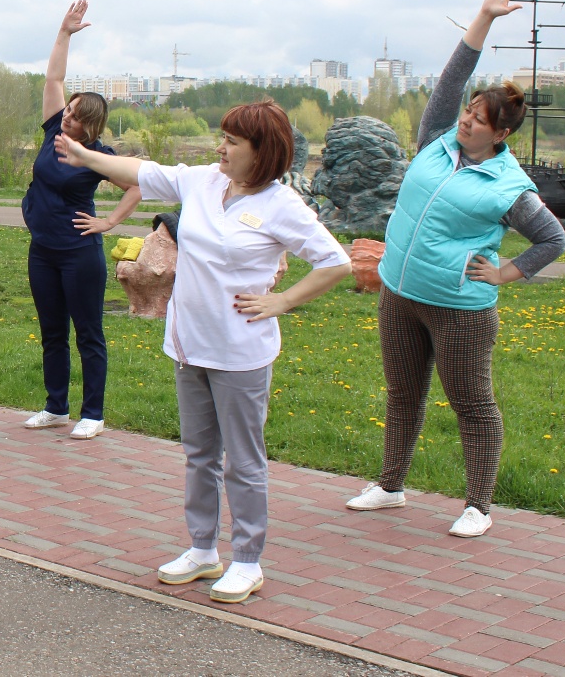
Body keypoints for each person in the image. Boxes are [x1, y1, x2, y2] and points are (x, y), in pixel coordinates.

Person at [57, 101, 350, 604]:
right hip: (189, 343)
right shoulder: (204, 182)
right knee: (199, 454)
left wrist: (281, 301)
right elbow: (142, 171)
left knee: (244, 461)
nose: (221, 148)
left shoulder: (282, 206)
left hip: (239, 352)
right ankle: (201, 549)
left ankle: (247, 560)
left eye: (232, 142)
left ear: (262, 152)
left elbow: (335, 262)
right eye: (223, 138)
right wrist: (86, 156)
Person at [346, 0, 565, 538]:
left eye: (479, 120)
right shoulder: (436, 139)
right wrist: (486, 17)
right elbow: (453, 75)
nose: (467, 120)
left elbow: (553, 239)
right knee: (402, 395)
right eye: (468, 112)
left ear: (501, 134)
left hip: (459, 308)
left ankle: (479, 506)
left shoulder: (507, 185)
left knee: (471, 404)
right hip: (399, 291)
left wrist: (505, 273)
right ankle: (391, 486)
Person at [21, 0, 143, 438]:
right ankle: (56, 406)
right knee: (51, 331)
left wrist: (109, 223)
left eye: (73, 115)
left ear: (88, 125)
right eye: (66, 111)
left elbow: (137, 184)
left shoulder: (99, 157)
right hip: (43, 250)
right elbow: (53, 77)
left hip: (78, 253)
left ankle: (93, 414)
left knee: (88, 333)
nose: (64, 116)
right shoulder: (53, 130)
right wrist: (64, 32)